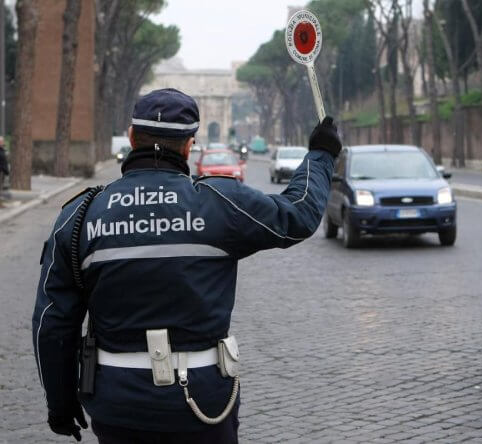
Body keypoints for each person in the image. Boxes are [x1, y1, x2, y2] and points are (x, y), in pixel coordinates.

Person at [32, 88, 341, 443]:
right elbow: (298, 214)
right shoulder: (221, 203)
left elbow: (53, 323)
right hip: (202, 399)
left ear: (132, 138)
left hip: (116, 401)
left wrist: (60, 402)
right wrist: (321, 155)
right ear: (189, 144)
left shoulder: (81, 214)